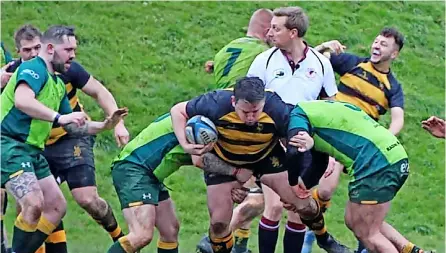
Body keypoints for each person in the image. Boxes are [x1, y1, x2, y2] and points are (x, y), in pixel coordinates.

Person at [171, 76, 346, 253]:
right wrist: (185, 145)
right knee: (218, 223)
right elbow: (178, 111)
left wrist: (304, 165)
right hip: (226, 159)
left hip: (265, 158)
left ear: (263, 102)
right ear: (233, 101)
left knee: (304, 205)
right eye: (245, 112)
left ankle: (325, 239)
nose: (250, 117)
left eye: (256, 111)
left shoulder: (276, 108)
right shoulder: (215, 103)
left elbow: (299, 133)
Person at [1, 25, 127, 253]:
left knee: (57, 206)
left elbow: (72, 126)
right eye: (68, 49)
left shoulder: (57, 83)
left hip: (32, 150)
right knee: (32, 203)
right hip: (8, 144)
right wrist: (59, 117)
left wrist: (105, 125)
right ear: (50, 48)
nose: (73, 55)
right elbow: (22, 100)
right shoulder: (33, 68)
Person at [247, 6, 340, 253]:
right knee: (274, 206)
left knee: (299, 210)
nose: (270, 32)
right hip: (271, 144)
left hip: (305, 144)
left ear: (293, 32)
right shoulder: (263, 61)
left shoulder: (321, 64)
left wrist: (330, 152)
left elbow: (331, 110)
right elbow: (249, 100)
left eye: (276, 28)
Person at [286, 100, 432, 253]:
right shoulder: (317, 108)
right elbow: (319, 164)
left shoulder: (298, 117)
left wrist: (292, 185)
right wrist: (300, 189)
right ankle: (412, 250)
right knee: (354, 219)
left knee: (367, 232)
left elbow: (294, 152)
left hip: (377, 163)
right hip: (394, 155)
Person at [306, 27, 406, 252]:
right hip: (331, 129)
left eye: (384, 44)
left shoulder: (393, 86)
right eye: (376, 42)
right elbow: (309, 61)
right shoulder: (352, 63)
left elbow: (398, 118)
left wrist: (384, 138)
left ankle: (317, 231)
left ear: (394, 54)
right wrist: (324, 46)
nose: (377, 46)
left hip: (359, 141)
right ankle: (312, 232)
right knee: (325, 191)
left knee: (360, 211)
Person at [108, 112, 252, 253]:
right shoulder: (204, 122)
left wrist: (240, 185)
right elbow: (200, 159)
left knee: (170, 230)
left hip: (150, 175)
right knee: (141, 235)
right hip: (134, 168)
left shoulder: (207, 114)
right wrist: (237, 174)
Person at [200, 8, 274, 253]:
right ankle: (212, 242)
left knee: (248, 194)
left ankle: (238, 243)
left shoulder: (227, 49)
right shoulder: (264, 54)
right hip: (244, 128)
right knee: (258, 199)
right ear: (267, 31)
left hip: (223, 124)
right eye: (273, 30)